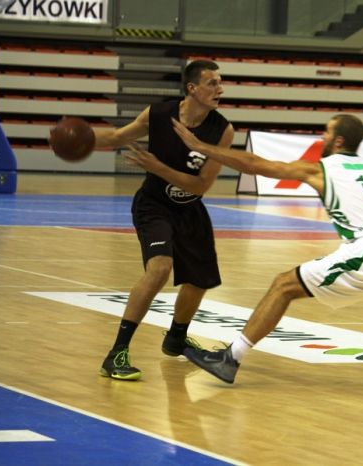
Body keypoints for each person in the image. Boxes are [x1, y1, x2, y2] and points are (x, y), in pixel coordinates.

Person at [126, 114, 363, 394]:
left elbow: (255, 164)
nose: (322, 137)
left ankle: (230, 358)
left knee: (283, 285)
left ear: (338, 141)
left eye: (326, 132)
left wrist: (203, 147)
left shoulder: (320, 169)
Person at [92, 60, 234, 380]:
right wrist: (83, 141)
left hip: (190, 208)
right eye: (212, 83)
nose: (220, 89)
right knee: (159, 269)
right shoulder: (158, 114)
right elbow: (116, 138)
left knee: (200, 280)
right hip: (154, 205)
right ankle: (116, 353)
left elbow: (200, 186)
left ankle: (176, 339)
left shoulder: (221, 130)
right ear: (192, 88)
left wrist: (158, 167)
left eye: (220, 82)